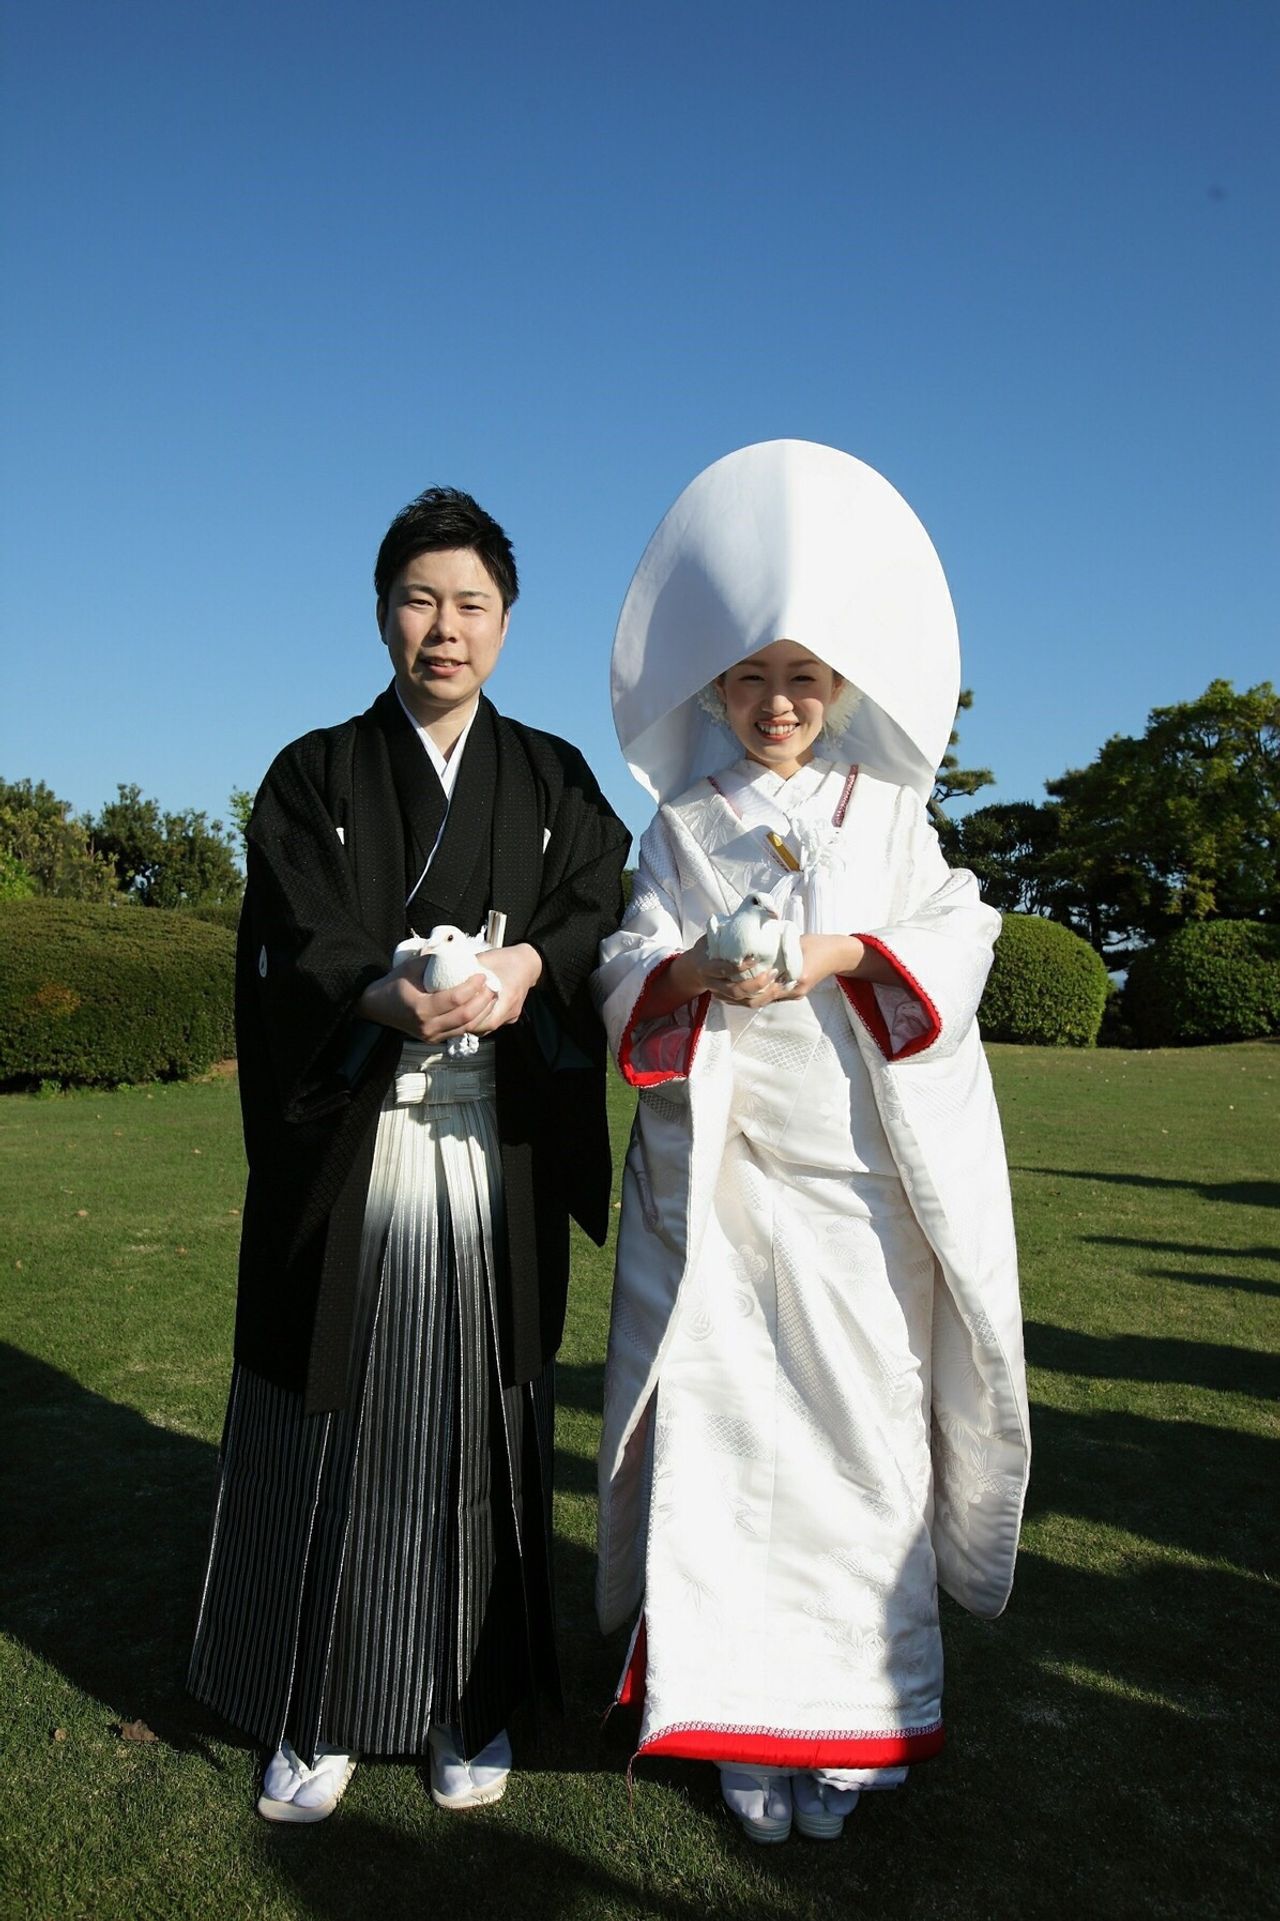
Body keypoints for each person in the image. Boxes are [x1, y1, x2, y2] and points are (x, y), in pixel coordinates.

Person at [594, 441, 1030, 1846]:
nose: (776, 703)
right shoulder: (681, 825)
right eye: (748, 678)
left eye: (801, 676)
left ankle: (856, 1724)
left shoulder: (890, 816)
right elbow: (628, 960)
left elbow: (960, 931)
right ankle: (737, 1723)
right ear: (711, 688)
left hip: (859, 1190)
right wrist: (697, 969)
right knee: (726, 1444)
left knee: (865, 1450)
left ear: (838, 685)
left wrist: (841, 950)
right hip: (726, 1184)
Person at [189, 486, 630, 1822]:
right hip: (358, 1146)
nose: (446, 628)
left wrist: (527, 965)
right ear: (383, 613)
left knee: (482, 1422)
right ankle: (312, 1710)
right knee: (335, 1415)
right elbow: (294, 939)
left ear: (507, 622)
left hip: (494, 1149)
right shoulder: (314, 773)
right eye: (420, 599)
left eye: (471, 604)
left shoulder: (551, 777)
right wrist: (381, 995)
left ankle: (468, 1705)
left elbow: (599, 903)